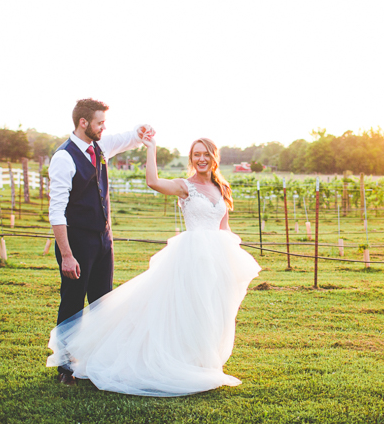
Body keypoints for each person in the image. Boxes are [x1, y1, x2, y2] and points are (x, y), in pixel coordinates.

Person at [45, 135, 262, 397]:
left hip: (217, 259)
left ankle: (203, 363)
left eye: (206, 154)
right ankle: (173, 361)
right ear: (192, 159)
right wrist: (150, 149)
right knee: (190, 309)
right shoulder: (185, 186)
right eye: (196, 154)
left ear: (214, 157)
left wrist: (232, 257)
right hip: (192, 257)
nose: (201, 159)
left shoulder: (222, 188)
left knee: (213, 312)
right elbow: (153, 182)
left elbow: (224, 228)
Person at [47, 98, 152, 385]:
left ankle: (97, 362)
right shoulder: (64, 158)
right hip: (77, 242)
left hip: (104, 240)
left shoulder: (99, 147)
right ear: (83, 123)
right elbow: (56, 211)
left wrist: (141, 131)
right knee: (72, 302)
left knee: (102, 302)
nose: (104, 127)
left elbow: (127, 139)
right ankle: (65, 368)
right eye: (100, 123)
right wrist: (67, 255)